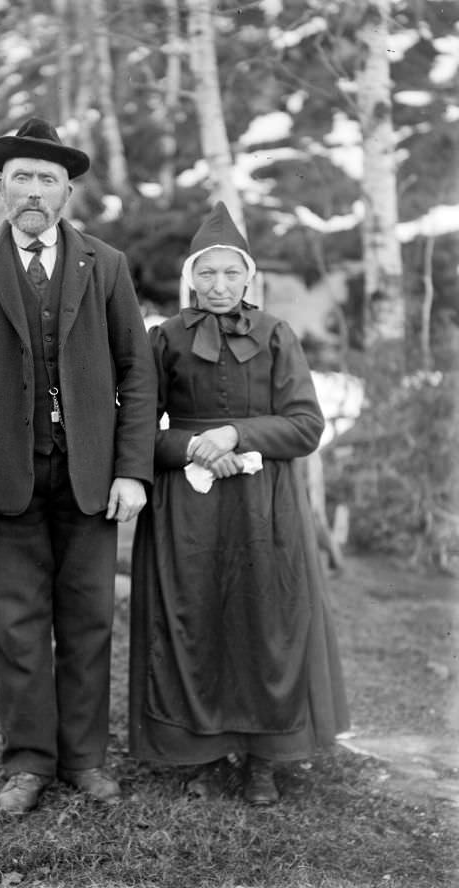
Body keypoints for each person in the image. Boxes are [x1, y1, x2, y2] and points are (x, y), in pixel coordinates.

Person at [0, 118, 157, 814]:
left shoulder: (104, 265)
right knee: (17, 627)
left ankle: (84, 760)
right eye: (20, 177)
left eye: (46, 179)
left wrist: (132, 471)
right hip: (2, 482)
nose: (32, 191)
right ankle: (27, 762)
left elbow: (136, 376)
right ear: (1, 187)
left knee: (88, 623)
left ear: (66, 193)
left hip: (90, 479)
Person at [129, 201, 349, 804]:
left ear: (248, 276)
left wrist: (237, 435)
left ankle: (262, 759)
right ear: (190, 277)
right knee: (194, 621)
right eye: (208, 273)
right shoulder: (164, 339)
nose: (219, 286)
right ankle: (201, 752)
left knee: (265, 622)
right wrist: (195, 445)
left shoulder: (277, 335)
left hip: (265, 506)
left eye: (231, 273)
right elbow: (138, 432)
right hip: (188, 507)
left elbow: (306, 426)